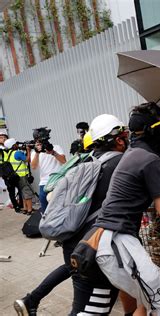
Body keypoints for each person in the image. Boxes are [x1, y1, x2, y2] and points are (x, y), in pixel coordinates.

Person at [14, 115, 128, 316]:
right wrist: (36, 152)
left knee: (72, 273)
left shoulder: (81, 163)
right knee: (86, 306)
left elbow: (62, 163)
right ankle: (31, 299)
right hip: (89, 245)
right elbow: (34, 167)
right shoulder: (114, 166)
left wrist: (50, 151)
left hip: (74, 238)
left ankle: (31, 299)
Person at [94, 102, 160, 316]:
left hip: (106, 240)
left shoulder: (133, 152)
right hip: (119, 243)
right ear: (154, 129)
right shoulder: (149, 160)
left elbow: (156, 157)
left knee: (144, 302)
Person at [30, 128, 66, 213]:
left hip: (58, 180)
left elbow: (64, 161)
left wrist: (53, 152)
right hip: (44, 182)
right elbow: (34, 166)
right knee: (45, 206)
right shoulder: (34, 153)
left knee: (61, 204)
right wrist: (37, 153)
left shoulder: (56, 147)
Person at [4, 138, 34, 215]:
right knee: (27, 193)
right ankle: (29, 210)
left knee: (23, 193)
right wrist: (28, 151)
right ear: (13, 145)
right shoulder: (17, 153)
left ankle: (25, 209)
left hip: (15, 177)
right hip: (22, 176)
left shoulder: (9, 153)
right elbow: (27, 160)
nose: (17, 145)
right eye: (16, 144)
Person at [1, 135, 24, 213]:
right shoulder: (2, 151)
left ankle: (21, 205)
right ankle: (16, 206)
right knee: (12, 191)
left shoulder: (8, 150)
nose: (3, 139)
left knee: (20, 189)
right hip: (6, 173)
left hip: (13, 173)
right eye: (1, 137)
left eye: (4, 137)